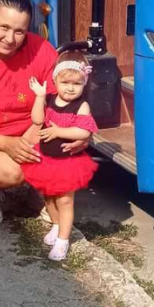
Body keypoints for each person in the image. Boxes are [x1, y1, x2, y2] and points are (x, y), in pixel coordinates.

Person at [0, 0, 86, 224]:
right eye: (3, 27)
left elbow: (61, 103)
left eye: (19, 31)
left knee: (71, 142)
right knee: (11, 173)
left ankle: (45, 191)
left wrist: (71, 135)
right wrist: (8, 144)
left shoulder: (41, 50)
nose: (10, 38)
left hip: (34, 133)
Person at [22, 53, 99, 261]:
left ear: (85, 83)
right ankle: (56, 225)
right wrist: (39, 97)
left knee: (65, 200)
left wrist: (58, 132)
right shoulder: (49, 100)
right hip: (47, 158)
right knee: (48, 196)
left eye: (77, 83)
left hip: (68, 162)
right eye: (65, 82)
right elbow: (37, 119)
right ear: (55, 81)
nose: (70, 88)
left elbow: (83, 132)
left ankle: (64, 239)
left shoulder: (81, 106)